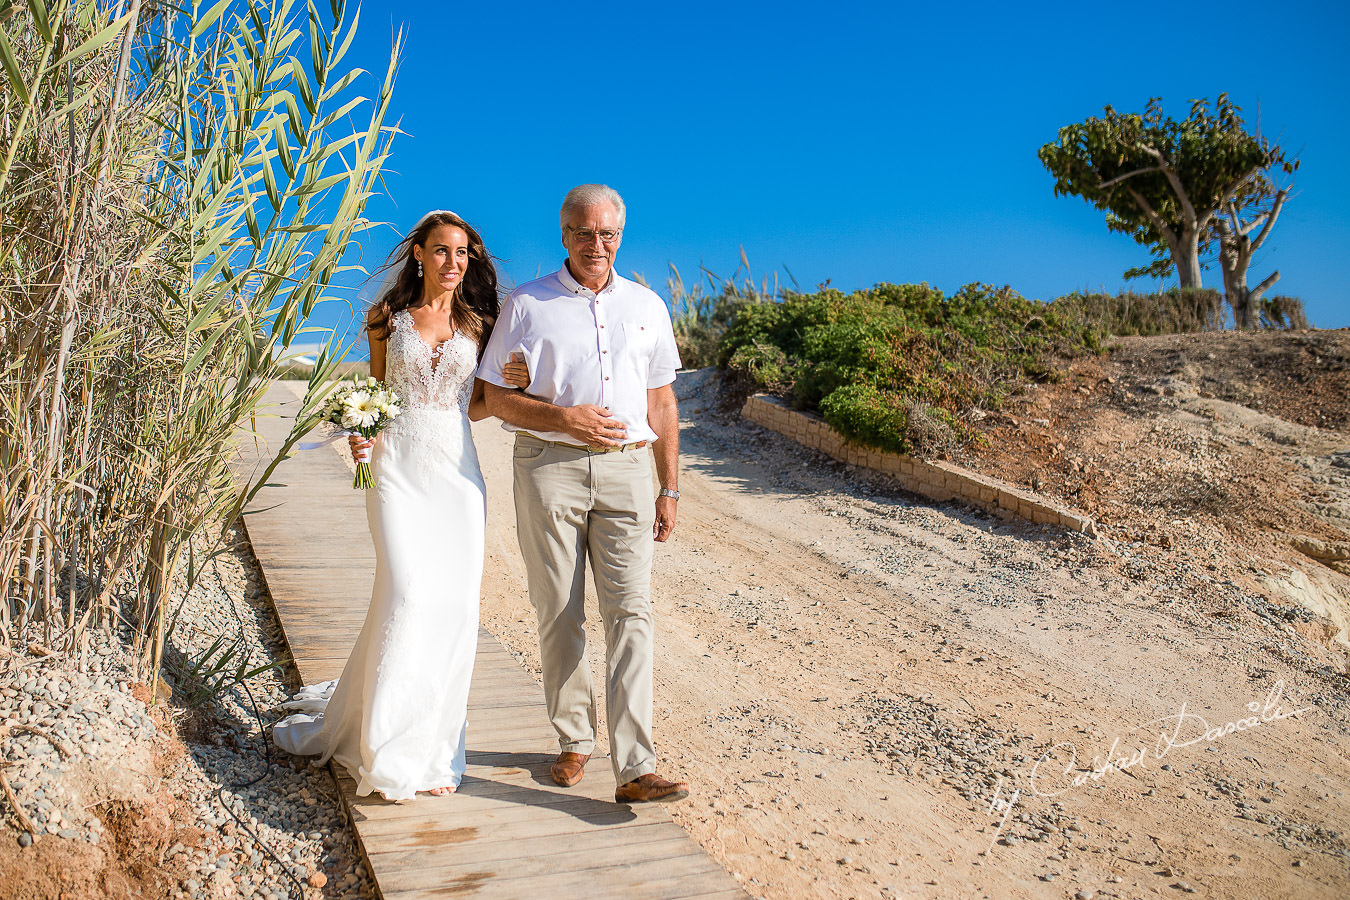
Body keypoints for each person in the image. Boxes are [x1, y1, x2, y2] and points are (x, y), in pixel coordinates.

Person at [273, 210, 529, 800]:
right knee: (408, 592)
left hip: (458, 477)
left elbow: (482, 403)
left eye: (462, 253)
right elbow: (378, 394)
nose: (453, 262)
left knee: (454, 606)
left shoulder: (481, 325)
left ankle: (436, 750)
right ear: (419, 253)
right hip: (397, 470)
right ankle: (386, 751)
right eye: (442, 250)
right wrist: (361, 432)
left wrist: (513, 379)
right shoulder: (386, 319)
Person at [477, 184, 689, 804]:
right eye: (585, 232)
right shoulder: (526, 304)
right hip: (549, 467)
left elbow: (662, 401)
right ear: (564, 235)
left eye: (609, 234)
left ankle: (636, 767)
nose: (597, 245)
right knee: (559, 610)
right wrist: (563, 419)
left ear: (620, 236)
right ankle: (574, 742)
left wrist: (668, 486)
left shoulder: (649, 305)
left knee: (632, 614)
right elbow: (494, 398)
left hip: (627, 472)